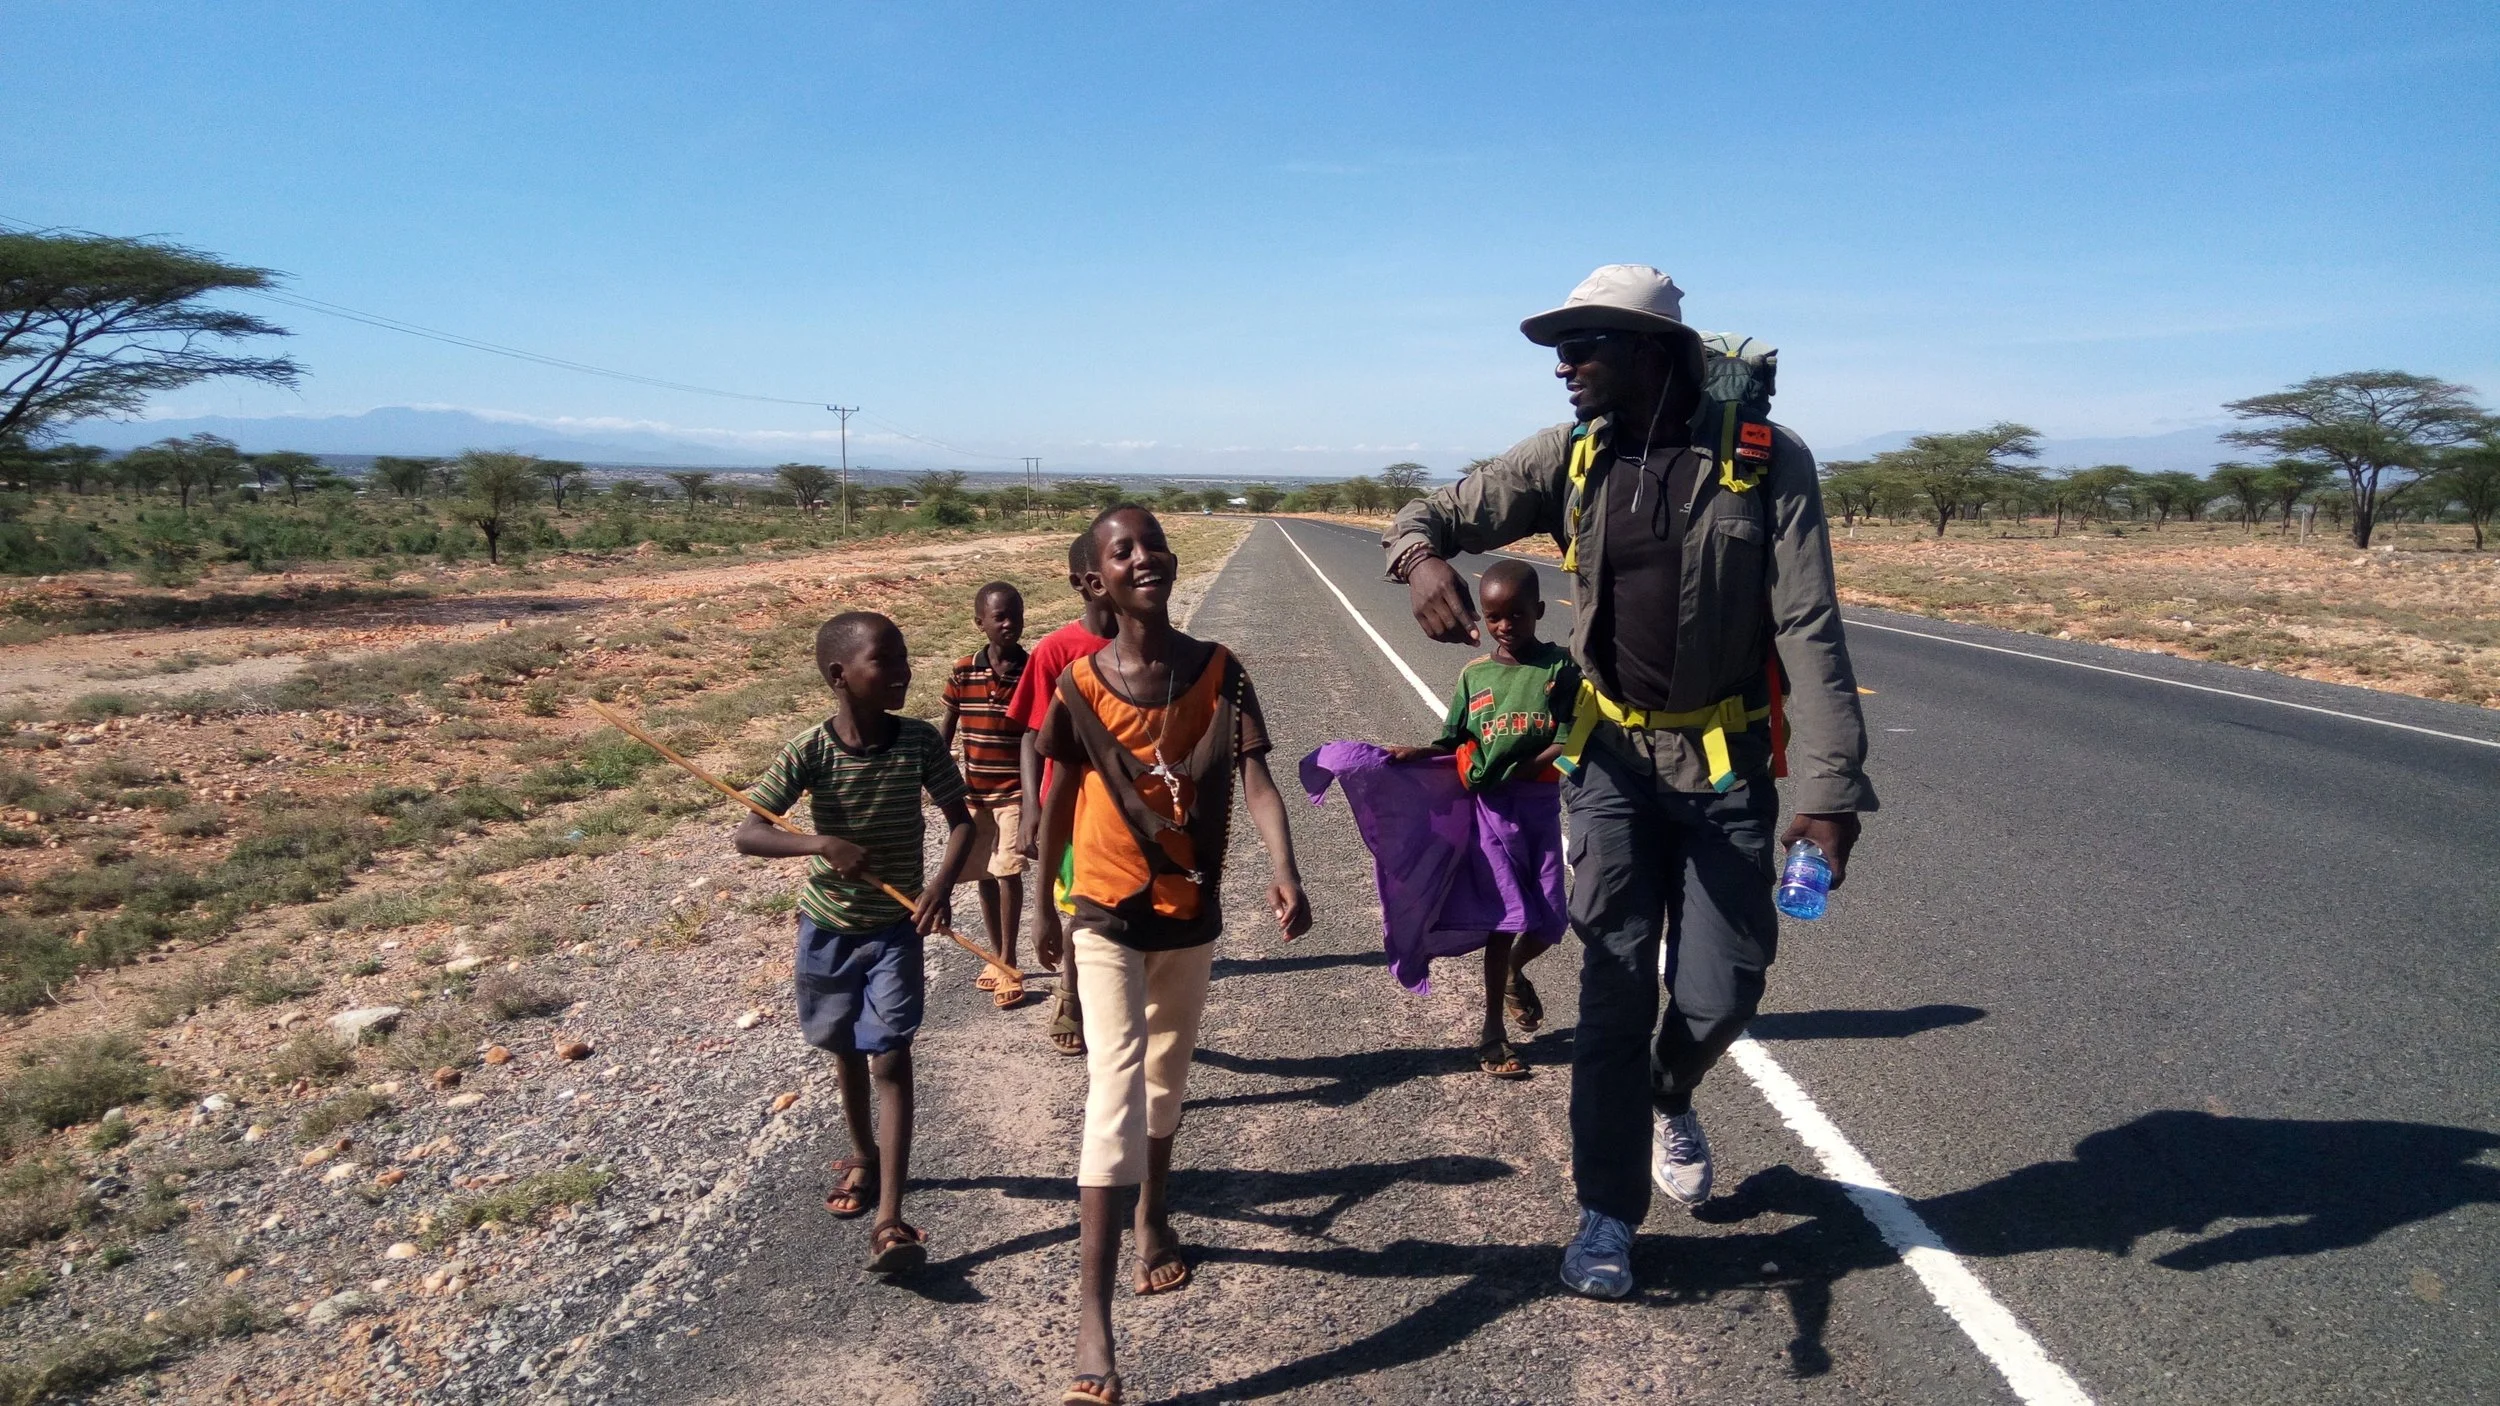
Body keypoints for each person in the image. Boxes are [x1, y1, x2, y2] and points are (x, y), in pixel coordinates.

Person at [1383, 264, 1877, 1299]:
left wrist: (1826, 792)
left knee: (1723, 985)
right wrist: (1422, 556)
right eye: (1559, 349)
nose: (1565, 366)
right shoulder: (1571, 454)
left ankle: (1670, 1086)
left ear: (1654, 352)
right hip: (1607, 760)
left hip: (1725, 768)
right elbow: (1441, 508)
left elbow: (1808, 627)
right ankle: (1606, 1211)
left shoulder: (1762, 462)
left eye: (1585, 345)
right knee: (1610, 984)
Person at [1033, 505, 1311, 1406]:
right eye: (1123, 551)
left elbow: (1258, 779)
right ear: (1097, 580)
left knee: (1166, 1075)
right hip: (1105, 909)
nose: (1143, 557)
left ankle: (1155, 1212)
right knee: (1114, 1086)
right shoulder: (1077, 684)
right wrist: (1046, 908)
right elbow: (1058, 796)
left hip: (1190, 909)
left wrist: (1284, 868)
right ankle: (1092, 1318)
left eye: (1152, 543)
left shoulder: (1222, 674)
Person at [735, 610, 975, 1277]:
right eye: (885, 662)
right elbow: (749, 834)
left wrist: (940, 887)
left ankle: (890, 1217)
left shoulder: (920, 742)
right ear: (841, 676)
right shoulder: (810, 750)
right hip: (828, 928)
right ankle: (863, 1154)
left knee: (890, 1055)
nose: (902, 672)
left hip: (896, 929)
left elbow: (963, 823)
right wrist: (819, 843)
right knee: (843, 1046)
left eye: (904, 659)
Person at [1382, 558, 1571, 1078]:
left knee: (1551, 921)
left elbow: (1571, 737)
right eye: (1494, 617)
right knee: (1503, 920)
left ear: (1538, 610)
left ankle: (1513, 973)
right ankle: (1492, 1033)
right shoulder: (1475, 675)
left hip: (1537, 809)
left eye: (1516, 614)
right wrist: (1418, 754)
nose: (1506, 626)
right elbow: (1454, 742)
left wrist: (1523, 770)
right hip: (1492, 813)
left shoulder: (1560, 668)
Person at [1008, 530, 1120, 1056]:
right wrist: (1032, 806)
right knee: (1077, 908)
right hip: (1070, 808)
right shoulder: (1057, 650)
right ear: (1085, 582)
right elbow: (1031, 733)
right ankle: (1072, 996)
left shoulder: (1148, 644)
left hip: (1129, 809)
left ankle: (1117, 990)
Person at [940, 581, 1030, 1009]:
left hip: (1014, 791)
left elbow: (1037, 735)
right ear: (980, 623)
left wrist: (1035, 799)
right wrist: (937, 777)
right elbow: (947, 727)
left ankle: (1010, 961)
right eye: (1000, 617)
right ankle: (996, 954)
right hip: (973, 794)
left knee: (1008, 870)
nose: (1010, 623)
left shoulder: (1032, 671)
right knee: (984, 876)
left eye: (1016, 614)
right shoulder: (963, 671)